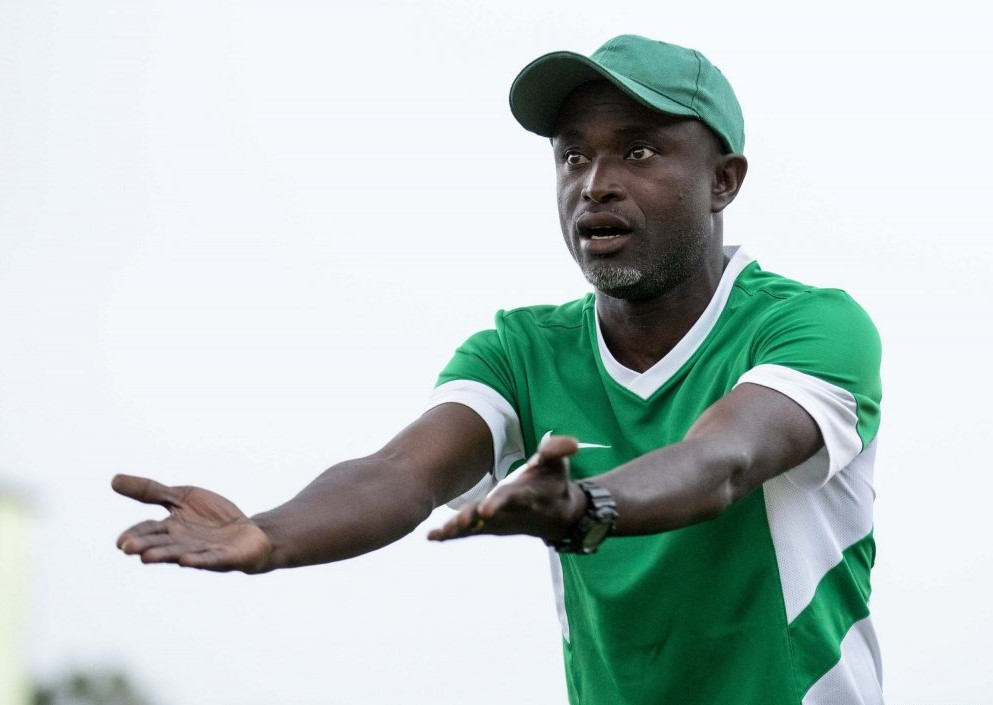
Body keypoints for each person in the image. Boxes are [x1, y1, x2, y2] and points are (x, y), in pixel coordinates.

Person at [114, 35, 883, 705]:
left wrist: (587, 505)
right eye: (573, 154)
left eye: (639, 150)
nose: (595, 183)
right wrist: (269, 534)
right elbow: (400, 473)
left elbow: (722, 460)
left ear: (723, 181)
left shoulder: (808, 326)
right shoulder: (519, 350)